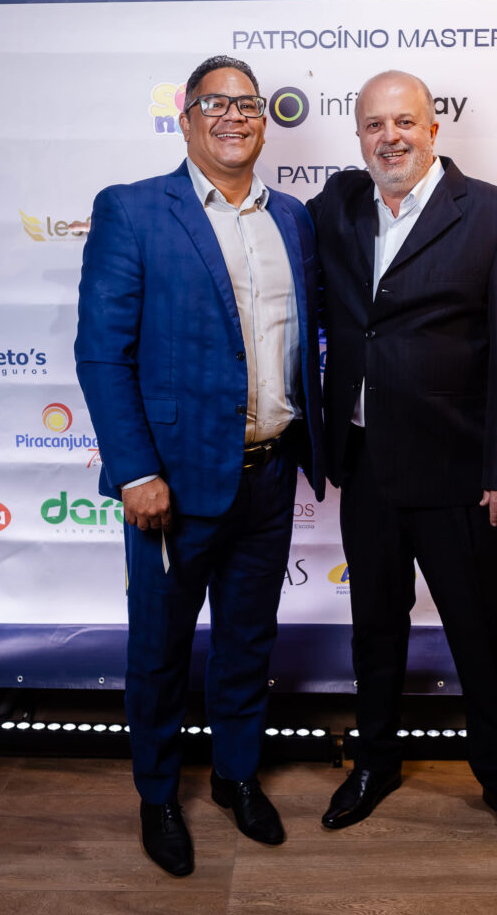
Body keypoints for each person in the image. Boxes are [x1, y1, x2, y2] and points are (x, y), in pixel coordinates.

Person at [75, 55, 324, 876]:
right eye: (214, 103)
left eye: (247, 104)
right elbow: (102, 354)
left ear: (264, 123)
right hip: (171, 484)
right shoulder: (134, 210)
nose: (232, 116)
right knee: (159, 651)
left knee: (248, 641)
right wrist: (134, 471)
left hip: (269, 475)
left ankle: (235, 777)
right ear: (185, 120)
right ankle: (156, 796)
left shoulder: (293, 219)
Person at [308, 70, 497, 858]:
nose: (390, 138)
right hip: (366, 466)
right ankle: (374, 763)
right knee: (373, 630)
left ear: (432, 127)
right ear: (358, 137)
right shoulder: (338, 205)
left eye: (404, 121)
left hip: (461, 475)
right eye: (373, 125)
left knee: (483, 635)